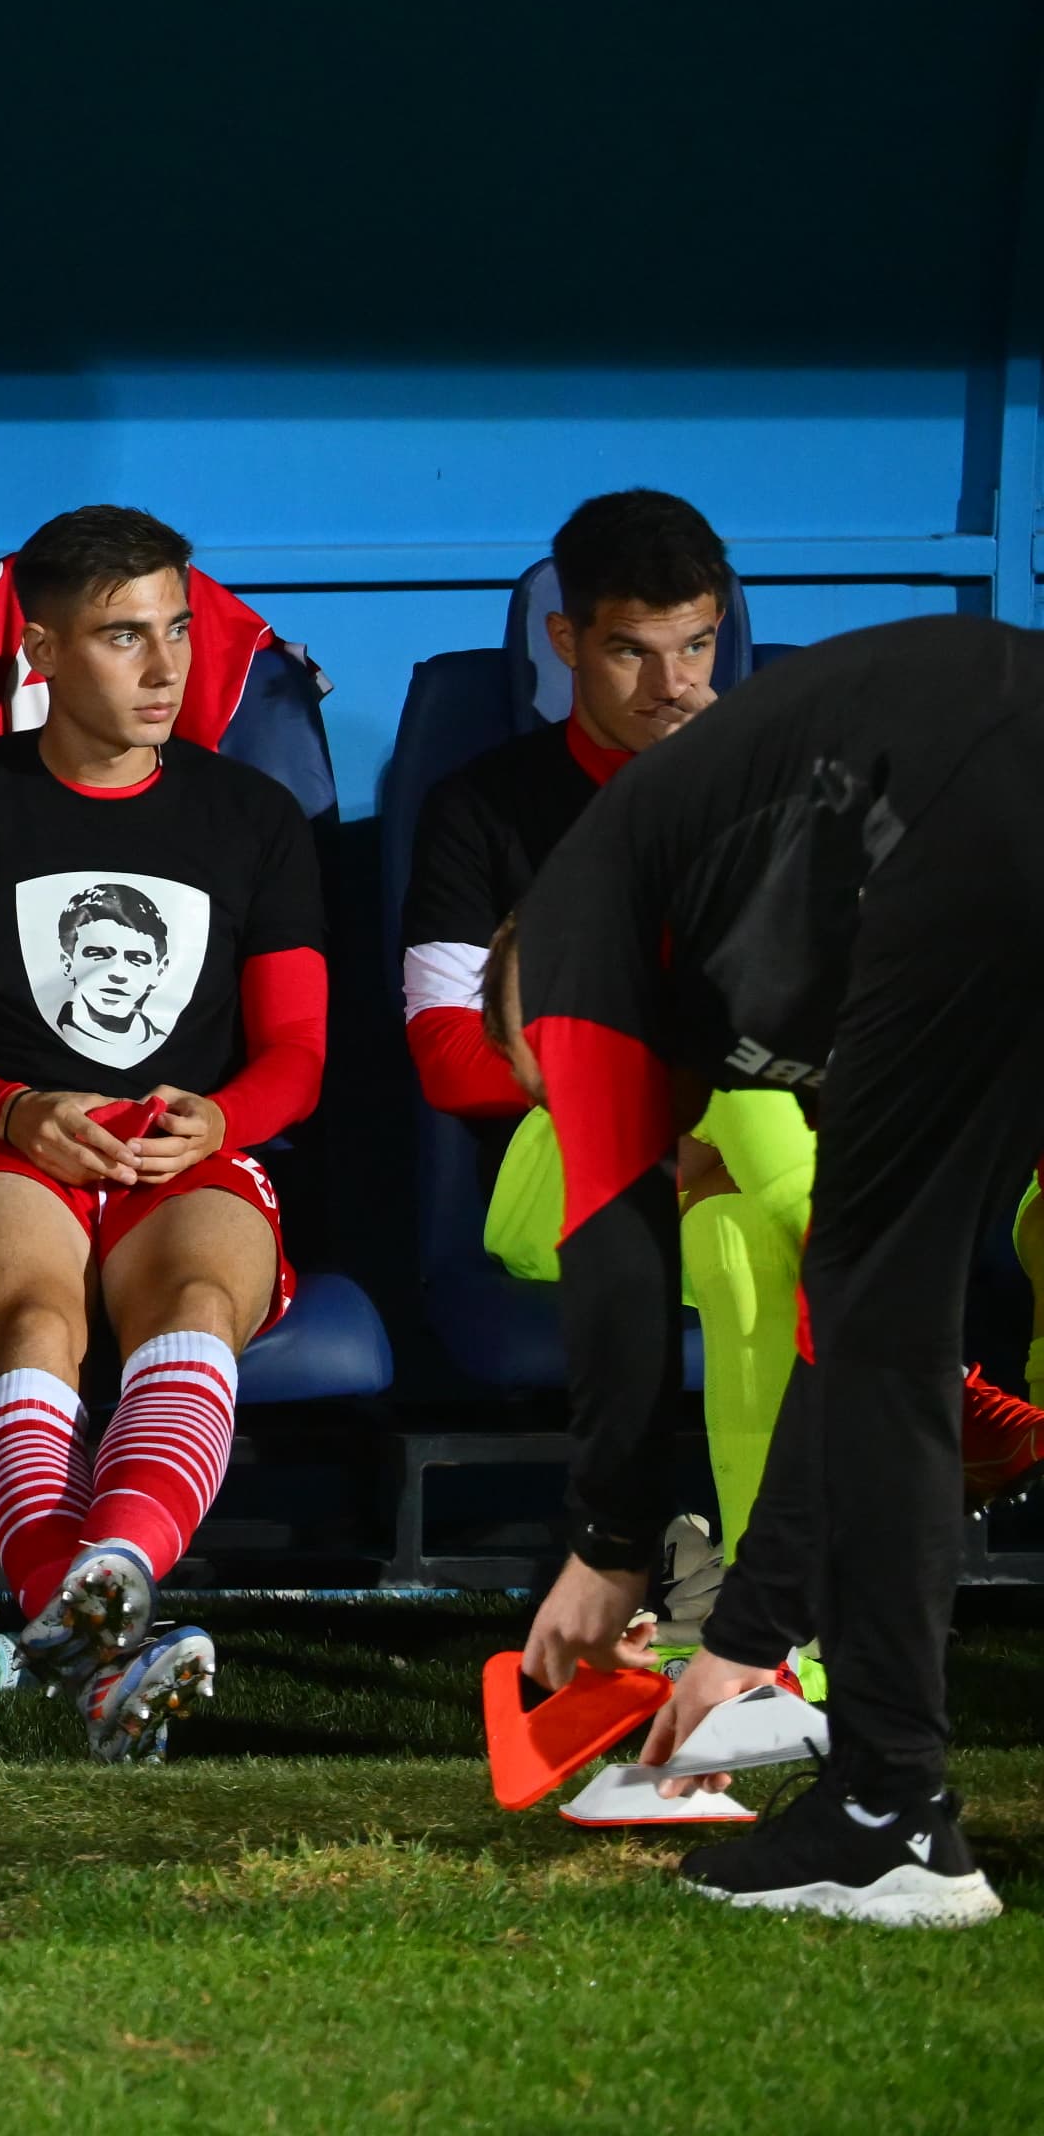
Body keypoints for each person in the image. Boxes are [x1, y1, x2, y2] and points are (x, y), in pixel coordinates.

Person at [501, 618, 1044, 1929]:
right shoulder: (810, 950)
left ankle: (889, 1814)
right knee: (874, 1311)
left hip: (985, 780)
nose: (590, 1112)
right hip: (993, 763)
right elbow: (847, 1343)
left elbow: (619, 1257)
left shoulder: (581, 921)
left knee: (877, 1309)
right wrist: (745, 1640)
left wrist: (608, 1542)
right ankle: (882, 1805)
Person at [412, 493, 1044, 1598]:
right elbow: (452, 1059)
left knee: (750, 1250)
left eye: (697, 645)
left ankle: (772, 1647)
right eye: (632, 652)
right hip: (554, 1167)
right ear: (565, 642)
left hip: (758, 1171)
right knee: (728, 1078)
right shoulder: (485, 807)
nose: (674, 685)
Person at [0, 506, 326, 1761]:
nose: (166, 667)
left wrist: (226, 1117)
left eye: (176, 630)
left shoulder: (255, 819)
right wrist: (14, 1108)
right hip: (3, 1135)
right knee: (33, 1323)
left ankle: (103, 1581)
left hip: (185, 1144)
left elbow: (299, 1056)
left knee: (195, 1305)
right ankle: (110, 1629)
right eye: (125, 637)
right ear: (43, 647)